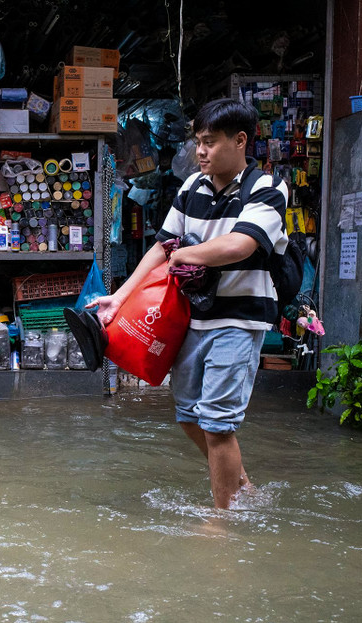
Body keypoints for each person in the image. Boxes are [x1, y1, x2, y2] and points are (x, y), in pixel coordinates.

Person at [91, 98, 290, 509]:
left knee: (217, 423)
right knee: (188, 416)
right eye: (198, 142)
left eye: (210, 143)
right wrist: (122, 295)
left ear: (239, 141)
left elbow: (241, 244)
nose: (200, 152)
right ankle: (241, 486)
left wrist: (184, 254)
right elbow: (162, 247)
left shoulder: (266, 188)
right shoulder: (191, 187)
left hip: (239, 319)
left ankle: (223, 519)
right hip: (191, 319)